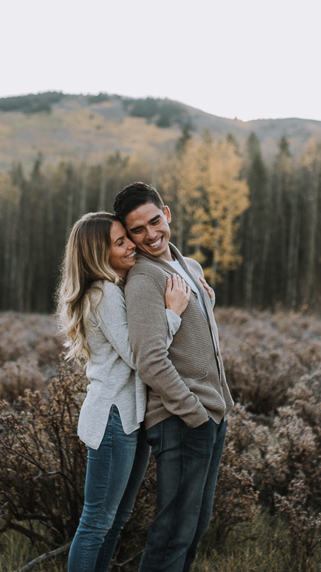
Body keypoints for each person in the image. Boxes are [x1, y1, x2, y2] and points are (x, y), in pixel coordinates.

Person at [57, 211, 192, 572]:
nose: (131, 244)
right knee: (97, 523)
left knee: (115, 521)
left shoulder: (114, 289)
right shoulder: (104, 295)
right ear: (99, 255)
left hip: (128, 418)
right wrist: (173, 313)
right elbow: (139, 357)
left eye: (126, 238)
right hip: (113, 419)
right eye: (120, 242)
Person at [113, 182, 234, 572]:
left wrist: (205, 301)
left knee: (194, 526)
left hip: (212, 415)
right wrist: (193, 413)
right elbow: (150, 360)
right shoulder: (144, 279)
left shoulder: (190, 267)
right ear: (128, 235)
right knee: (172, 534)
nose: (150, 235)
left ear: (167, 214)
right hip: (181, 420)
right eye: (137, 230)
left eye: (154, 221)